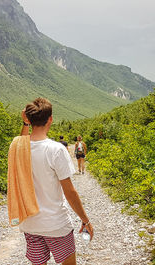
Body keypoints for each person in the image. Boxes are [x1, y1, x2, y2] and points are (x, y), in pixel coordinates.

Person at [16, 98, 93, 265]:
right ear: (50, 119)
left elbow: (22, 140)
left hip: (30, 224)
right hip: (56, 225)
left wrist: (25, 123)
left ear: (28, 119)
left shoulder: (20, 148)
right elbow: (69, 191)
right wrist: (85, 220)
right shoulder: (56, 149)